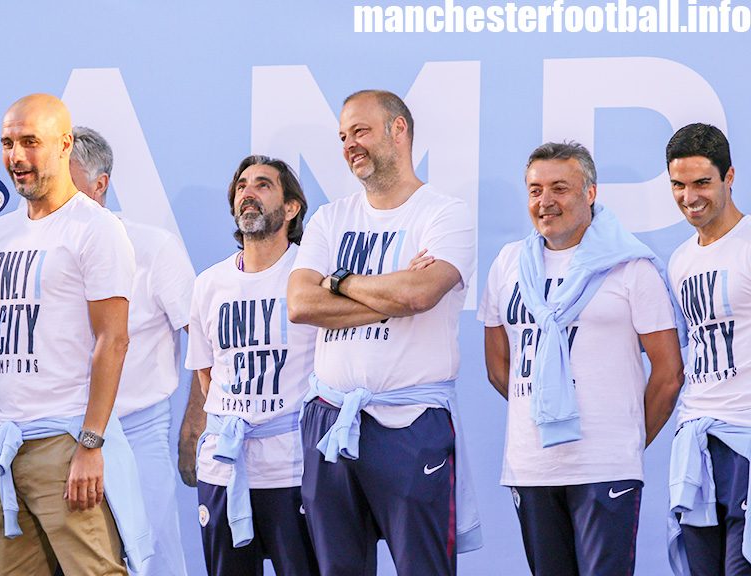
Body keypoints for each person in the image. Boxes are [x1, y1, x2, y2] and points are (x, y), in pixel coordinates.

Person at [0, 94, 151, 576]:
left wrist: (90, 445)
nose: (16, 156)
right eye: (8, 143)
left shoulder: (95, 230)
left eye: (30, 142)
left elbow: (113, 341)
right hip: (6, 446)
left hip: (67, 442)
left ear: (64, 145)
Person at [286, 89, 480, 575]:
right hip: (330, 421)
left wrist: (341, 281)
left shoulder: (443, 213)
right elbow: (301, 303)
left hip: (411, 423)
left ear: (399, 130)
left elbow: (420, 294)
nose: (350, 144)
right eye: (343, 136)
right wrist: (388, 298)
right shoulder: (331, 218)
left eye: (361, 131)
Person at [478, 141, 684, 576]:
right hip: (531, 466)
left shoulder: (630, 267)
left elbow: (668, 374)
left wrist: (624, 441)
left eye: (560, 188)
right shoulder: (508, 264)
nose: (545, 201)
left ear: (590, 193)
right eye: (535, 190)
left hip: (605, 464)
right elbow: (500, 367)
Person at [69, 125, 193, 576]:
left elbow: (201, 337)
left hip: (138, 429)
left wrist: (195, 423)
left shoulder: (154, 247)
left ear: (99, 184)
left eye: (64, 177)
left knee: (152, 559)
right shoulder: (41, 249)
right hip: (63, 430)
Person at [186, 154, 318, 575]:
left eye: (263, 185)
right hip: (223, 469)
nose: (248, 193)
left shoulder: (310, 274)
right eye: (242, 186)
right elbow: (206, 374)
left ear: (291, 207)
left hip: (292, 468)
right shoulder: (209, 284)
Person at [665, 123, 751, 576]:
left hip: (745, 440)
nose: (689, 196)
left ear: (729, 176)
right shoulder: (679, 260)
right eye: (678, 185)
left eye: (702, 182)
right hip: (696, 441)